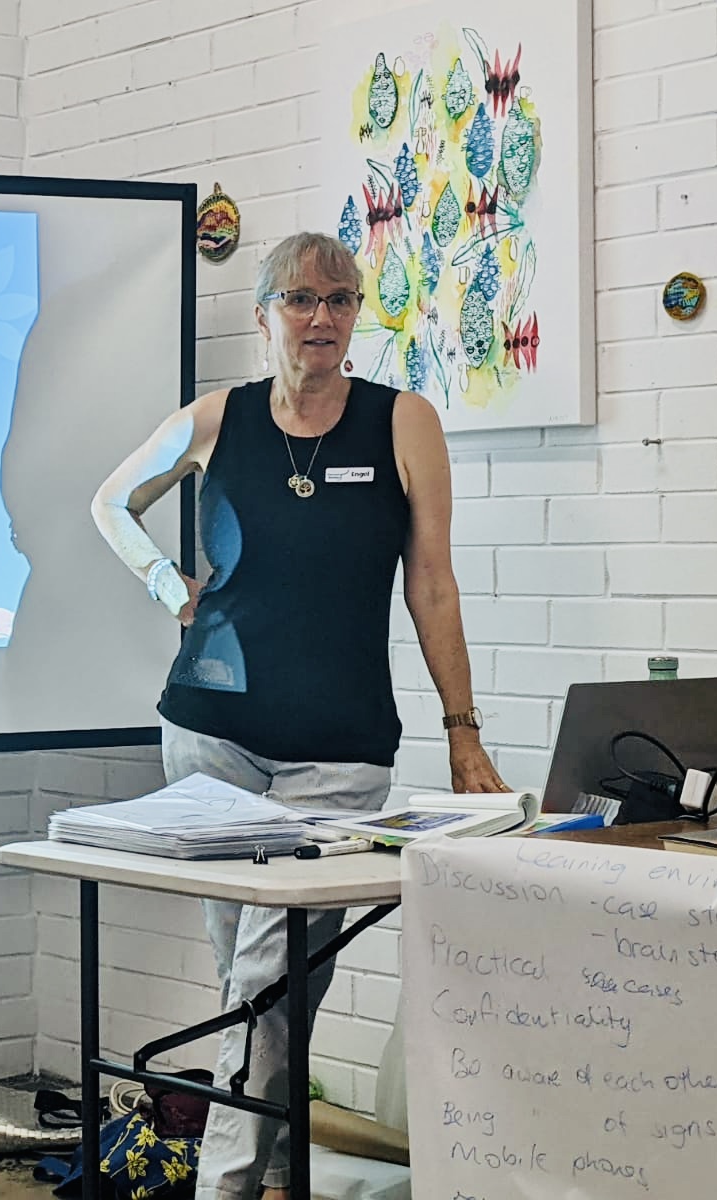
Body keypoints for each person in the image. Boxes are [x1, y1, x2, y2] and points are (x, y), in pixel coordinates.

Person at [89, 231, 506, 1200]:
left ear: (356, 312)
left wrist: (464, 731)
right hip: (208, 738)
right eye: (301, 300)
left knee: (267, 990)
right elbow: (110, 503)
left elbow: (432, 584)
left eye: (340, 299)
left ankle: (225, 1188)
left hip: (340, 753)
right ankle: (272, 1175)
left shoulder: (403, 422)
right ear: (263, 313)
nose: (322, 318)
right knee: (252, 980)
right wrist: (164, 583)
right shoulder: (212, 420)